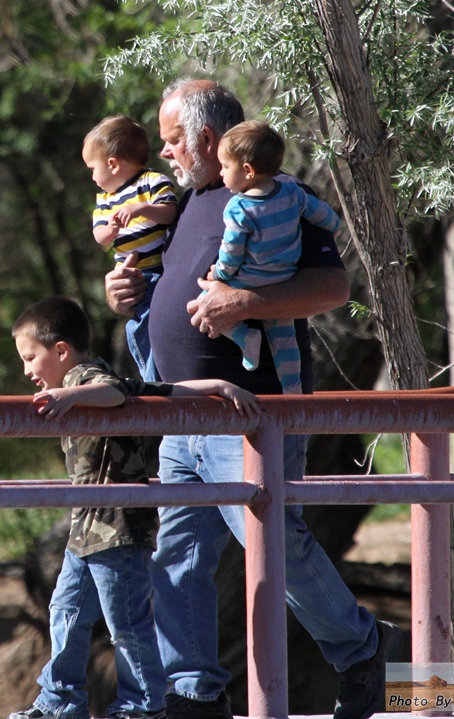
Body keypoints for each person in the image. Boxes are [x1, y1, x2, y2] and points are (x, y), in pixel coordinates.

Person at [105, 78, 401, 719]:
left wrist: (245, 303)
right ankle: (194, 696)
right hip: (180, 412)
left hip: (251, 414)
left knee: (273, 542)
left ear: (206, 139)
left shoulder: (276, 196)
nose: (165, 154)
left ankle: (364, 648)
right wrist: (132, 297)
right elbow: (175, 290)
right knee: (177, 556)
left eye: (172, 141)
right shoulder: (187, 206)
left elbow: (332, 285)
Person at [8, 295, 259, 719]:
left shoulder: (88, 378)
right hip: (86, 530)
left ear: (61, 351)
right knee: (65, 612)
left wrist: (71, 397)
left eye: (31, 358)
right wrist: (216, 386)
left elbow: (116, 393)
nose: (27, 369)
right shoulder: (84, 382)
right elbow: (159, 391)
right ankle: (58, 701)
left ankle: (142, 705)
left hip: (119, 529)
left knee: (126, 623)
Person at [211, 119, 341, 394]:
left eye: (225, 167)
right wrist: (335, 226)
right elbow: (325, 217)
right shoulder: (293, 194)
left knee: (203, 302)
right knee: (286, 342)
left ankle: (245, 337)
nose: (221, 173)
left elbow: (232, 251)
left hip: (249, 281)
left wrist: (220, 275)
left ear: (247, 170)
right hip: (283, 279)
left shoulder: (239, 208)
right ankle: (292, 392)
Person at [83, 115, 179, 381]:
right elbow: (100, 236)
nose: (92, 177)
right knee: (137, 328)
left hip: (158, 270)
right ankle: (150, 378)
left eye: (93, 168)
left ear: (112, 164)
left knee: (150, 325)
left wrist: (141, 208)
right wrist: (110, 230)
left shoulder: (152, 181)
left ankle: (155, 381)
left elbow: (170, 212)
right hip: (135, 276)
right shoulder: (105, 200)